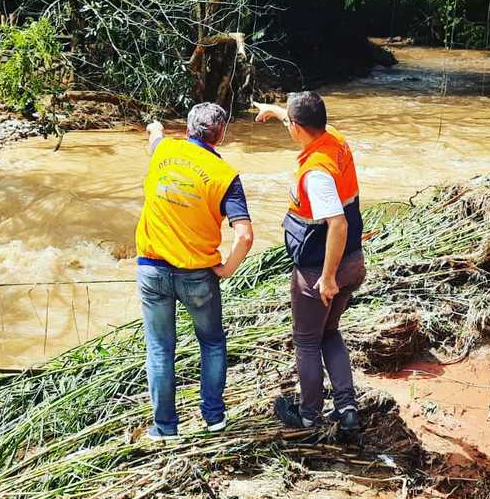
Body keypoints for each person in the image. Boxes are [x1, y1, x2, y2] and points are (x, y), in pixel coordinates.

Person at [135, 102, 254, 440]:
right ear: (222, 135)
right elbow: (244, 235)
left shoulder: (164, 150)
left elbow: (155, 137)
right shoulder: (225, 176)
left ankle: (165, 428)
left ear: (187, 130)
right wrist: (227, 269)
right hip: (199, 276)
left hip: (153, 271)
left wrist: (154, 127)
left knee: (159, 349)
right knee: (213, 343)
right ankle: (214, 418)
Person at [254, 91, 365, 431]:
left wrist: (327, 278)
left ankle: (308, 415)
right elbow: (302, 122)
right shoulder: (334, 139)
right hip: (354, 262)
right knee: (330, 332)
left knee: (306, 340)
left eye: (290, 121)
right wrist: (275, 111)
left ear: (299, 129)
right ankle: (347, 409)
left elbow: (338, 223)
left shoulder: (317, 174)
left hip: (321, 272)